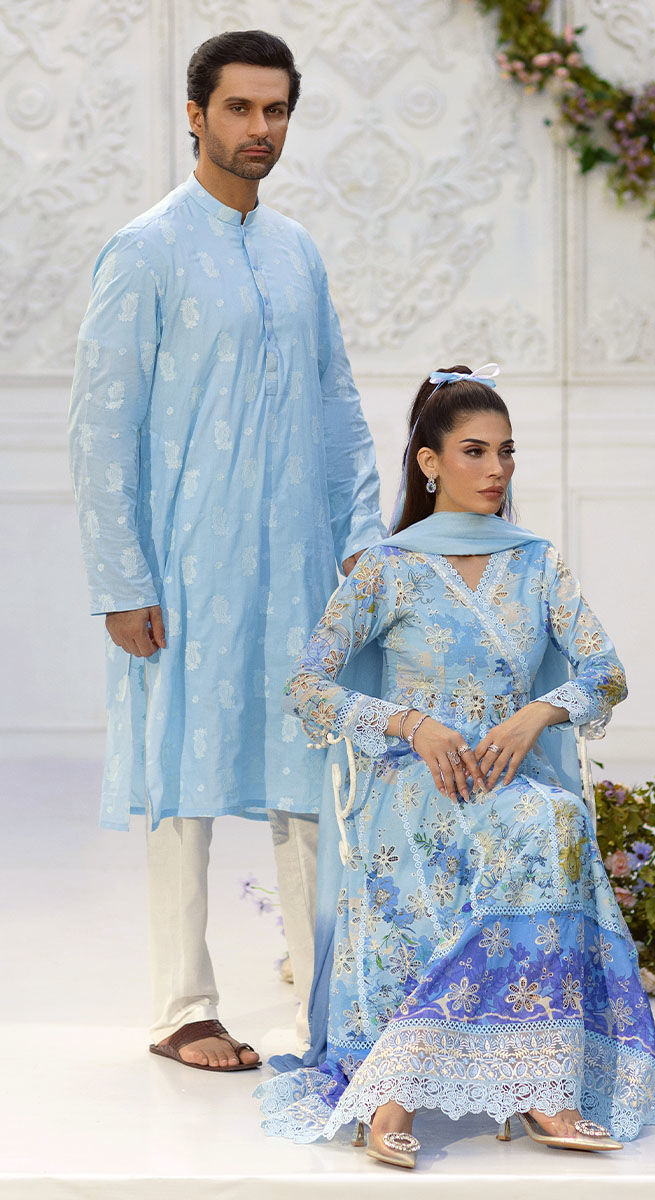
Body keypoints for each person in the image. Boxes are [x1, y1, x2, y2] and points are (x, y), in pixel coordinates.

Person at [254, 364, 655, 1165]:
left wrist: (539, 712)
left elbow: (605, 670)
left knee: (551, 816)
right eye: (474, 451)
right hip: (413, 781)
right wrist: (411, 725)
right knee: (547, 825)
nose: (497, 469)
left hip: (508, 779)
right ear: (429, 462)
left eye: (506, 452)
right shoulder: (387, 567)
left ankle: (476, 1087)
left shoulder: (537, 562)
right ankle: (487, 1091)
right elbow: (307, 686)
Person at [68, 30, 384, 1071]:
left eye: (276, 110)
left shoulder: (296, 251)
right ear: (195, 115)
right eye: (240, 108)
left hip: (299, 566)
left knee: (314, 780)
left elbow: (337, 407)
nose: (260, 129)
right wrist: (122, 579)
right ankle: (183, 1008)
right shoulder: (146, 250)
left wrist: (363, 547)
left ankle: (331, 1008)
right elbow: (101, 427)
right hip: (185, 569)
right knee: (182, 784)